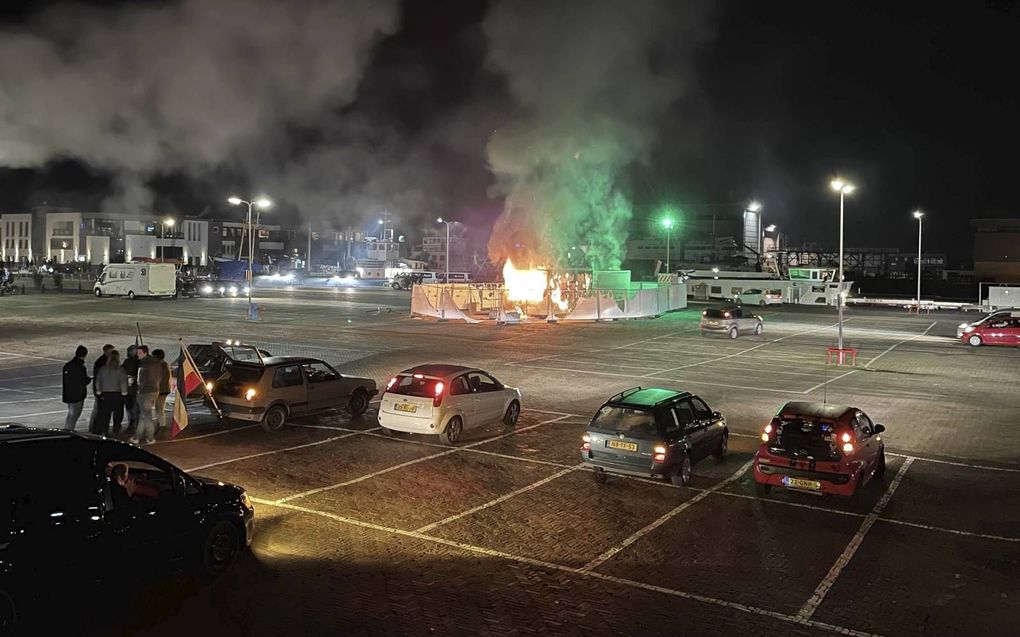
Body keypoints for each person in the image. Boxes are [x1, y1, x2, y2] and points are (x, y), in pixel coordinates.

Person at [93, 350, 128, 436]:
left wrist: (99, 392)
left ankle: (105, 430)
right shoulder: (120, 370)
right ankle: (116, 429)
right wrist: (124, 393)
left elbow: (98, 381)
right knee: (118, 413)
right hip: (117, 394)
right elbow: (123, 382)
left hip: (105, 394)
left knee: (105, 413)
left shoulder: (103, 369)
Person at [132, 345, 160, 445]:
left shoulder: (144, 364)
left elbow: (142, 380)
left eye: (139, 353)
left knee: (146, 416)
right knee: (143, 415)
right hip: (153, 391)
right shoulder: (156, 363)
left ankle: (150, 438)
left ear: (145, 353)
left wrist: (139, 391)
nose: (137, 355)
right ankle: (137, 437)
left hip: (145, 393)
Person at [61, 345, 90, 430]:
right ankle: (68, 432)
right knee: (74, 416)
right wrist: (88, 379)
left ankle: (67, 430)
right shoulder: (80, 367)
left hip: (68, 395)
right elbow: (83, 381)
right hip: (77, 396)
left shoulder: (67, 365)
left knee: (70, 415)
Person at [87, 344, 114, 432]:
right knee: (99, 410)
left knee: (99, 409)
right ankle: (95, 428)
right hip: (102, 390)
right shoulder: (102, 362)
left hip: (102, 389)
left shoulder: (103, 361)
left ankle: (96, 427)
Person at [151, 349, 172, 435]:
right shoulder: (163, 365)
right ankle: (160, 424)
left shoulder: (161, 366)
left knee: (159, 409)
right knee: (158, 409)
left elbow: (158, 379)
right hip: (162, 390)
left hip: (161, 390)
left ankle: (162, 426)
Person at [122, 344, 140, 435]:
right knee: (132, 408)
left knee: (132, 408)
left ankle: (134, 424)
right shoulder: (137, 361)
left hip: (132, 389)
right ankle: (134, 424)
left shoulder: (134, 362)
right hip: (131, 389)